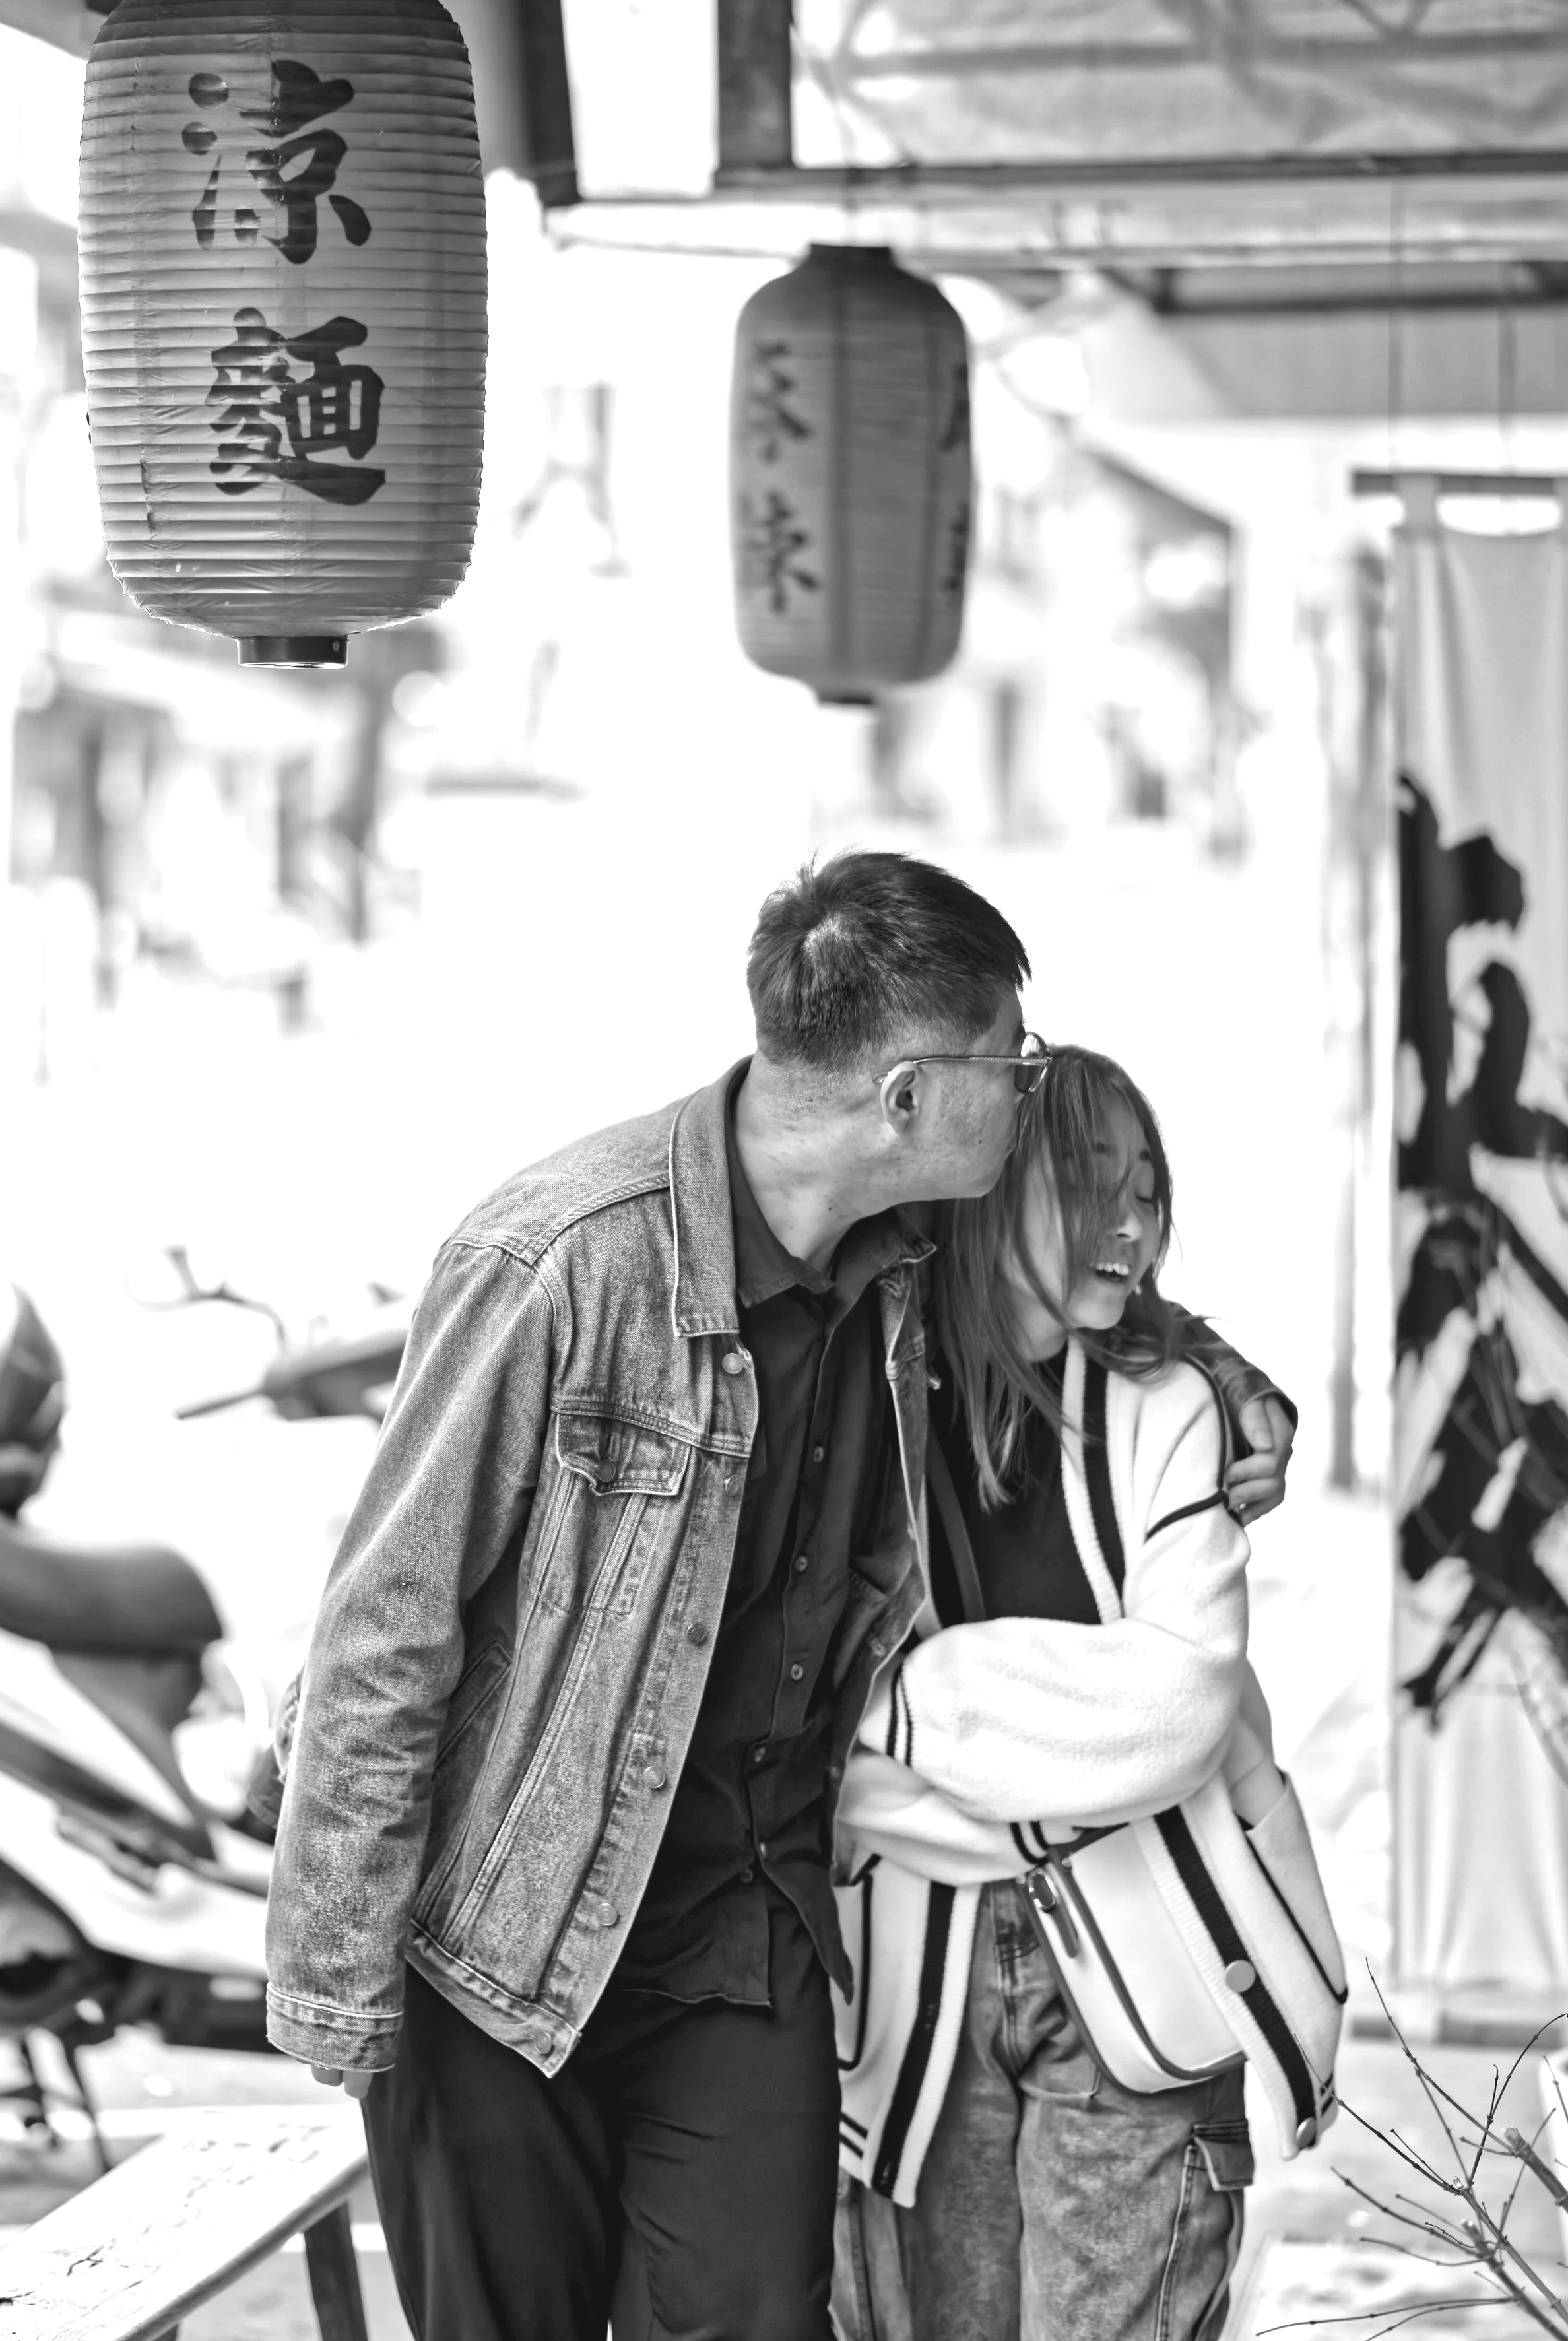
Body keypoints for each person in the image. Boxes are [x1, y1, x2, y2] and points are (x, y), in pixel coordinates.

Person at [262, 855, 1295, 2341]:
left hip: (739, 1930)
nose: (1025, 1089)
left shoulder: (904, 1251)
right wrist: (337, 1987)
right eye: (1007, 1061)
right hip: (496, 1940)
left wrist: (1219, 1369)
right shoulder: (560, 1257)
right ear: (904, 1098)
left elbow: (1071, 1272)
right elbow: (382, 1625)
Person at [831, 1044, 1342, 2341]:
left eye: (1148, 1189)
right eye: (1088, 1181)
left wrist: (899, 1711)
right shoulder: (857, 1396)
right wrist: (1065, 1746)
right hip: (911, 1994)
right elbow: (803, 1733)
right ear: (991, 1178)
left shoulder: (1167, 1405)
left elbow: (1170, 1708)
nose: (1129, 1222)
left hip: (1148, 1963)